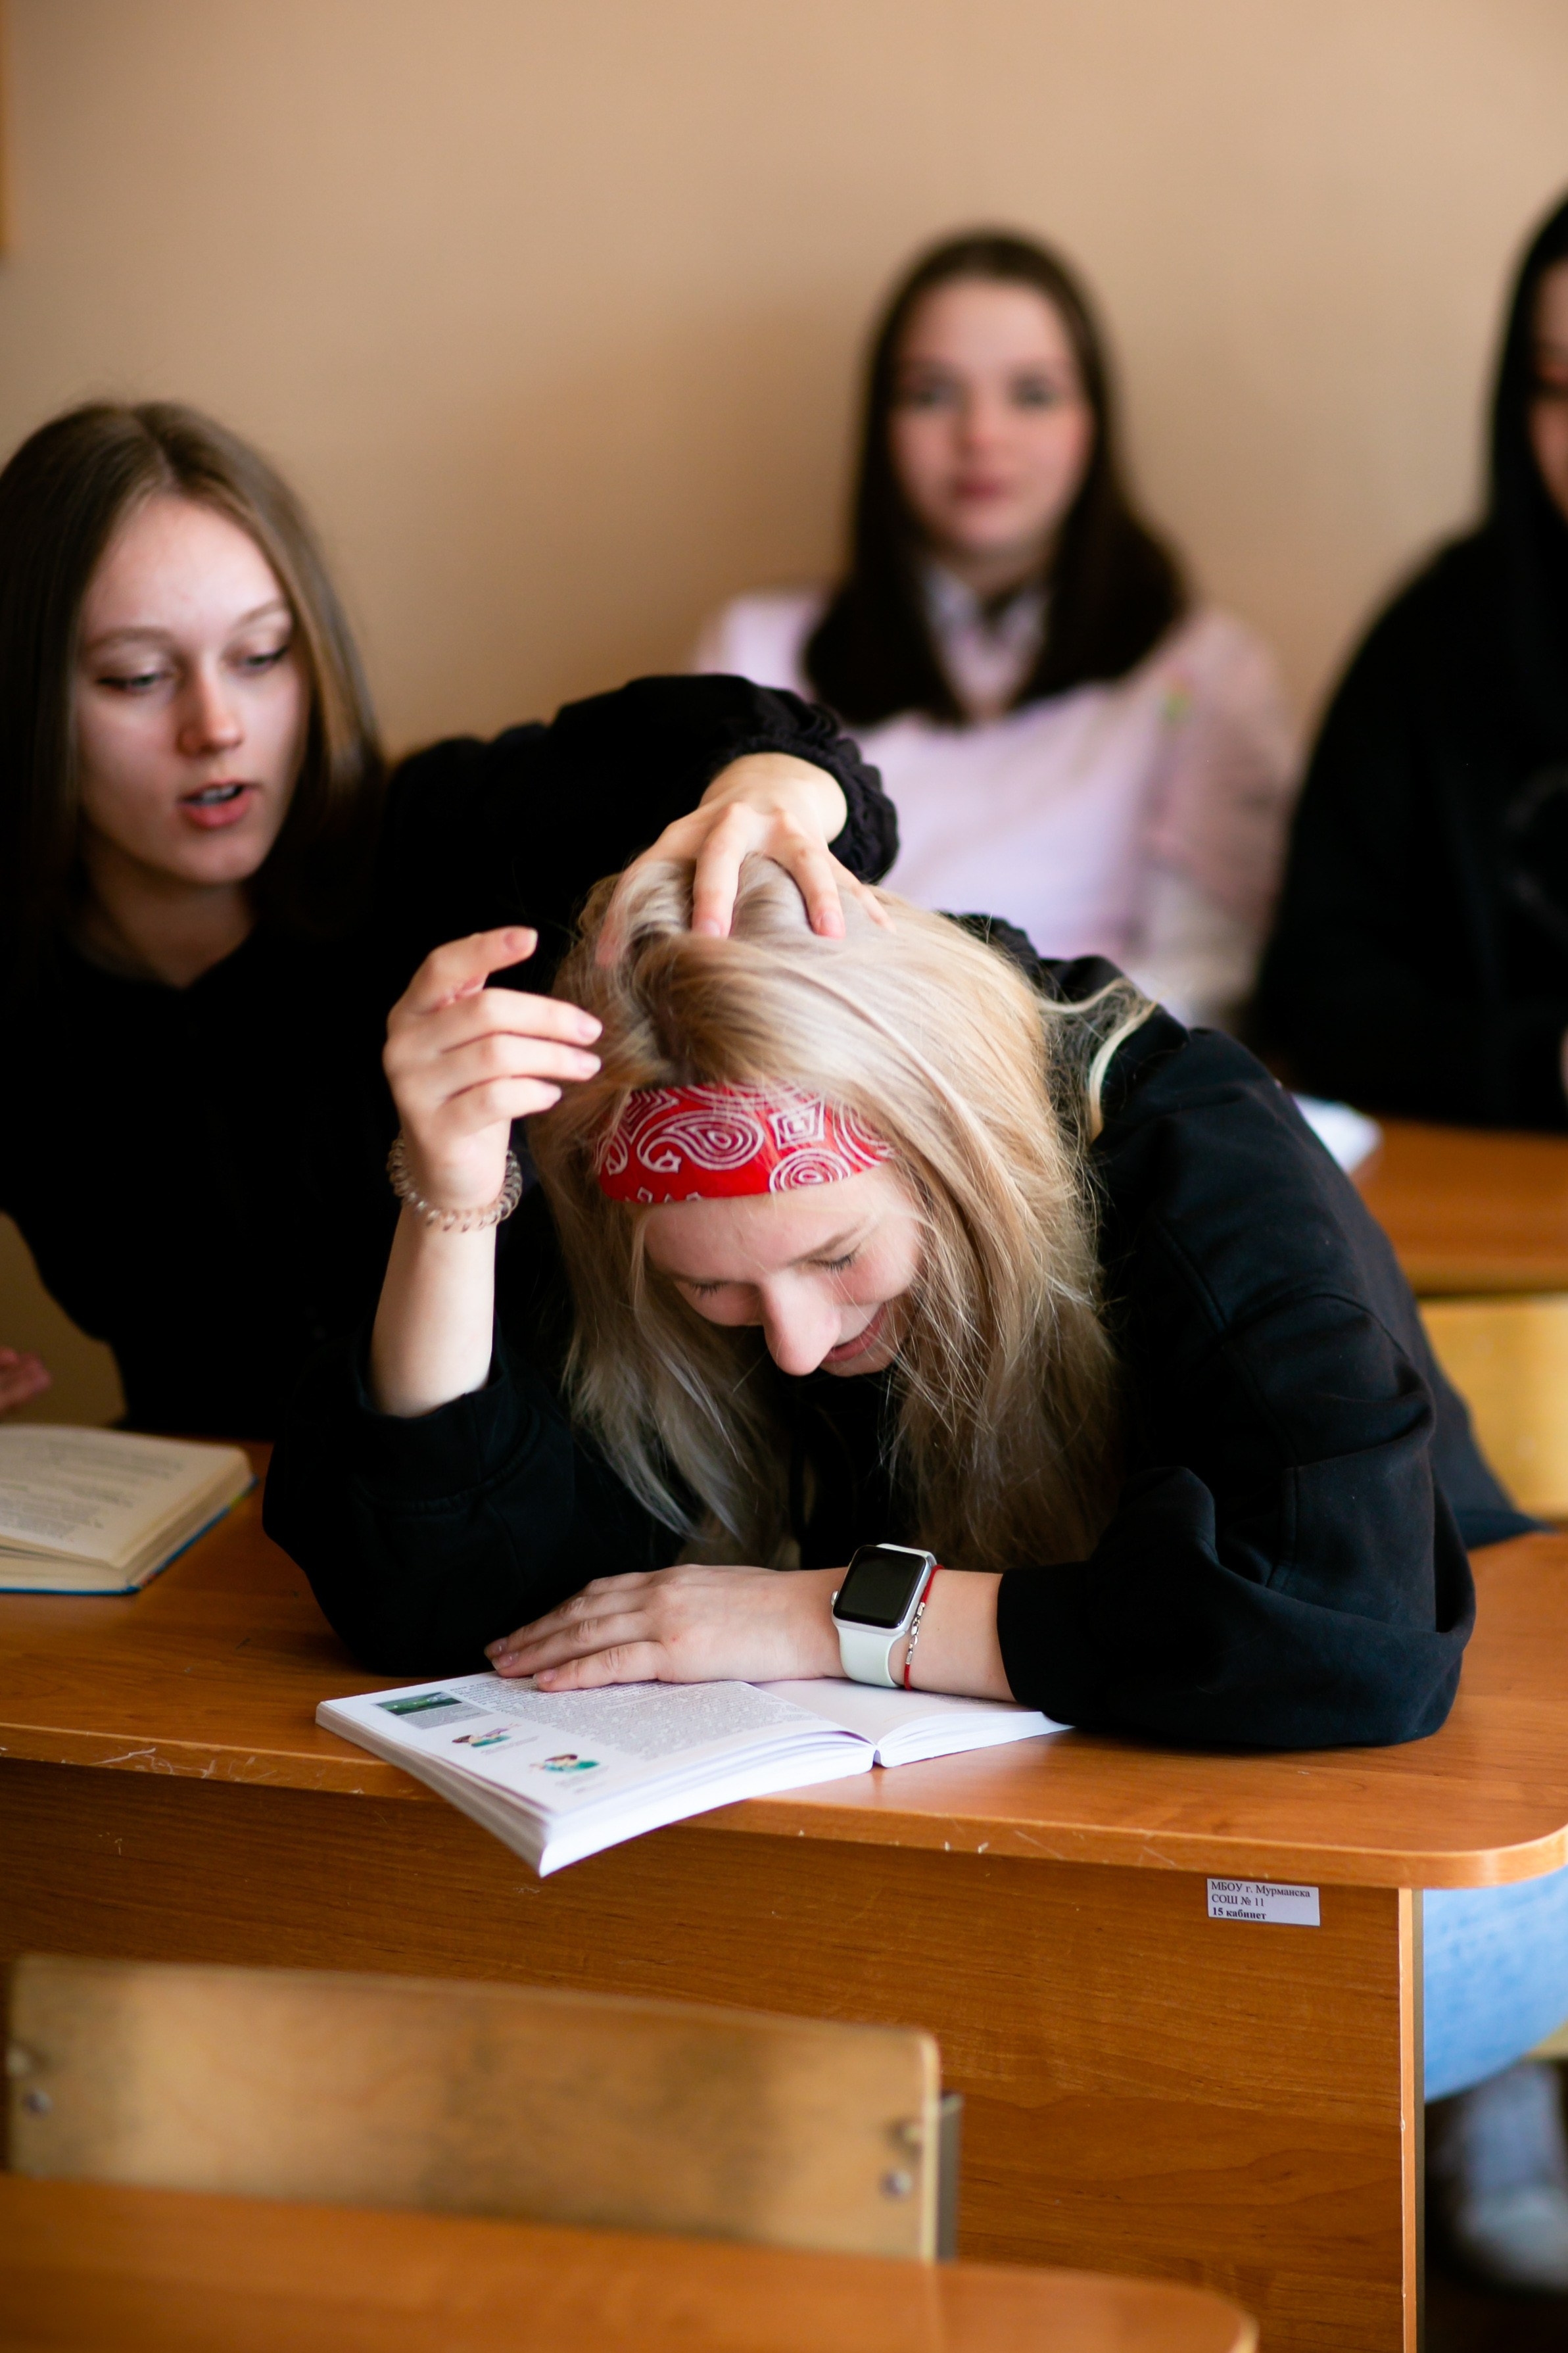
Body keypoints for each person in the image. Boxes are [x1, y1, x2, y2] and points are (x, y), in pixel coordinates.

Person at [266, 852, 1568, 2294]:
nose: (797, 1346)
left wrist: (823, 1612)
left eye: (837, 1258)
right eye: (712, 1293)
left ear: (951, 1156)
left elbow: (1343, 1631)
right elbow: (433, 1603)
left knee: (1035, 2057)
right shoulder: (652, 1146)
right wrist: (451, 1198)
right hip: (1014, 1800)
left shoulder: (1188, 1144)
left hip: (1421, 1824)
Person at [0, 402, 897, 1437]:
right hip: (180, 1525)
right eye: (138, 678)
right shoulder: (24, 983)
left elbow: (774, 755)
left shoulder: (441, 833)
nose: (217, 727)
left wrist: (772, 796)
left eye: (261, 657)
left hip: (504, 1517)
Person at [694, 230, 1300, 1029]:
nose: (982, 435)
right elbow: (710, 946)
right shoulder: (756, 653)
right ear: (882, 423)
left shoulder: (1203, 671)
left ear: (1096, 422)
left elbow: (1207, 971)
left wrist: (992, 1064)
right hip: (811, 1090)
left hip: (1083, 1105)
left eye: (1033, 394)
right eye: (933, 394)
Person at [1259, 193, 1568, 1127]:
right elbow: (1315, 993)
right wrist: (1544, 1059)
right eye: (1558, 387)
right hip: (1489, 1200)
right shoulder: (1435, 642)